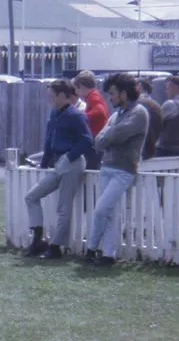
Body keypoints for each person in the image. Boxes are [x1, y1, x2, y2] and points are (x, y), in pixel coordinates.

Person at [23, 79, 94, 260]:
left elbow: (87, 140)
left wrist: (69, 157)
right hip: (58, 164)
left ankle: (56, 247)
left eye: (52, 96)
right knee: (32, 196)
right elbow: (49, 140)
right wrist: (45, 162)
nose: (49, 99)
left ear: (63, 96)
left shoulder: (76, 115)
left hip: (72, 163)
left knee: (63, 207)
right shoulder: (55, 113)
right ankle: (38, 240)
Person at [84, 72, 149, 267]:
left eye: (112, 93)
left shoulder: (139, 113)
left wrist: (108, 135)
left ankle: (92, 246)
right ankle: (106, 254)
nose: (110, 98)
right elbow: (99, 141)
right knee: (108, 213)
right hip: (107, 167)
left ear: (124, 93)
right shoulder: (116, 114)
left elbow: (115, 135)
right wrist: (108, 136)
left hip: (124, 170)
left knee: (101, 209)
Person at [73, 71, 109, 169]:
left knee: (90, 168)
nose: (76, 92)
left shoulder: (93, 96)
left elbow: (100, 112)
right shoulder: (92, 96)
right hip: (96, 138)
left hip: (96, 139)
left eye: (76, 88)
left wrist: (81, 116)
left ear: (81, 86)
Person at [137, 78, 164, 161]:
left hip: (143, 146)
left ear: (140, 86)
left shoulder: (141, 103)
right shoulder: (153, 102)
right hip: (153, 143)